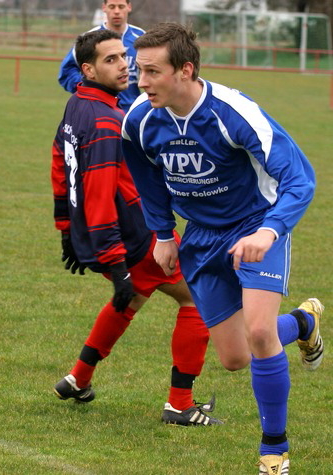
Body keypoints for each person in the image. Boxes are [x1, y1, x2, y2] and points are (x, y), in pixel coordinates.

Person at [121, 22, 324, 474]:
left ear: (185, 70)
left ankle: (274, 450)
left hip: (254, 227)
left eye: (152, 72)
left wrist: (269, 232)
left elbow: (300, 179)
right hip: (201, 238)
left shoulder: (234, 113)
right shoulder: (139, 120)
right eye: (140, 71)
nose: (142, 81)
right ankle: (303, 321)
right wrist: (164, 235)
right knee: (235, 358)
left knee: (259, 332)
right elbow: (148, 179)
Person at [51, 28, 221, 427]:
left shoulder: (77, 104)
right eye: (110, 60)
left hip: (115, 236)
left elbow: (59, 163)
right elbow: (99, 195)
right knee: (199, 300)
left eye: (123, 56)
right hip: (137, 235)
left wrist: (66, 229)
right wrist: (114, 262)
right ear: (88, 70)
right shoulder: (107, 122)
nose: (124, 66)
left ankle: (78, 378)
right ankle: (179, 404)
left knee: (132, 299)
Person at [58, 0, 144, 112]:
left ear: (129, 7)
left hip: (132, 110)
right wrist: (89, 90)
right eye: (112, 7)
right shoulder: (90, 38)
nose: (116, 11)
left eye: (121, 6)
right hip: (99, 107)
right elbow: (66, 71)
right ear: (104, 7)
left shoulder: (141, 37)